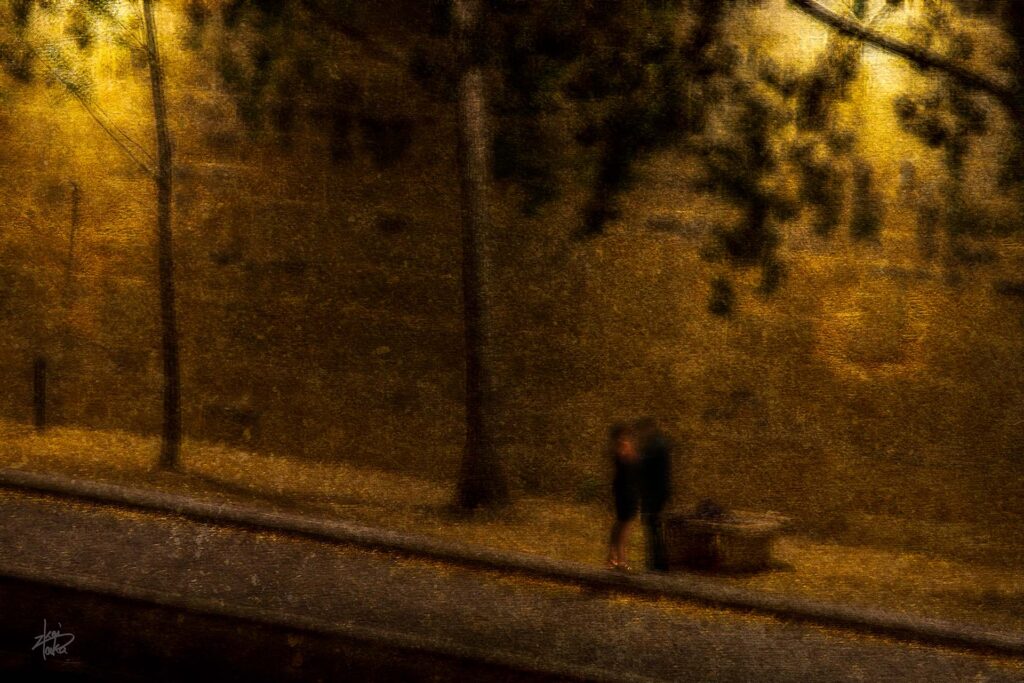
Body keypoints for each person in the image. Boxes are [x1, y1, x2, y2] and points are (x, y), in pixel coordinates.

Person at [636, 417, 673, 571]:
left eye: (642, 431)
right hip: (658, 492)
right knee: (654, 526)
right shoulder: (658, 443)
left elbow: (643, 466)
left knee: (652, 526)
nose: (641, 434)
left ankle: (656, 565)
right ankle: (658, 564)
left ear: (649, 429)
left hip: (653, 493)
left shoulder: (654, 446)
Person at [606, 422, 640, 570]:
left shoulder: (624, 448)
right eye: (624, 435)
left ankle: (613, 556)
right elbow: (633, 464)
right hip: (625, 490)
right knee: (624, 525)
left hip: (627, 489)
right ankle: (621, 560)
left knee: (621, 523)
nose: (627, 437)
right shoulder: (623, 448)